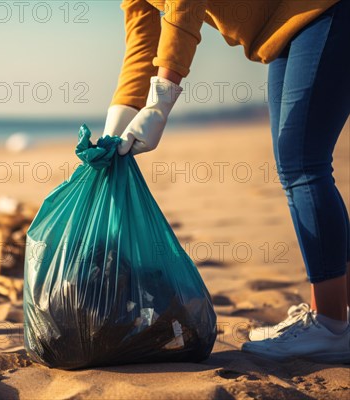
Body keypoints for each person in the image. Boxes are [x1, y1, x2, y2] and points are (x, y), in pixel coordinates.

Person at [104, 0, 349, 363]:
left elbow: (183, 5)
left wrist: (160, 103)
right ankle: (331, 317)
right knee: (295, 166)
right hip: (286, 27)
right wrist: (115, 127)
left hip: (324, 10)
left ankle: (331, 326)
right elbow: (142, 37)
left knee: (303, 165)